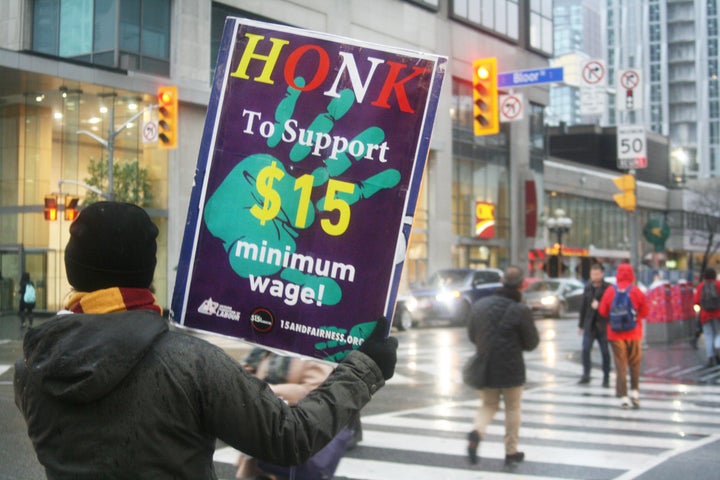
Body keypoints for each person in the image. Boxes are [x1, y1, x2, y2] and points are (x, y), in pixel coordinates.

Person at [14, 201, 397, 479]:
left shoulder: (30, 369)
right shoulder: (191, 363)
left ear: (72, 268)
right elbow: (288, 437)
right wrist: (364, 369)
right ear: (146, 271)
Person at [235, 347, 360, 479]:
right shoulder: (270, 348)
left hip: (295, 432)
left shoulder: (316, 352)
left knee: (287, 473)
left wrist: (266, 390)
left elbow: (314, 390)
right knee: (264, 471)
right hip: (267, 432)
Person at [465, 265, 539, 467]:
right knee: (513, 408)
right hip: (511, 368)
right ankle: (511, 451)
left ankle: (476, 432)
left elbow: (472, 335)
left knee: (488, 405)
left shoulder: (481, 305)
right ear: (521, 285)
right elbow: (532, 343)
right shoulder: (521, 310)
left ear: (502, 282)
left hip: (485, 366)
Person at [598, 263, 649, 409]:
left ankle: (624, 398)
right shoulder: (636, 291)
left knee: (620, 366)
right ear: (632, 274)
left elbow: (602, 311)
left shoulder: (610, 291)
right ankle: (635, 394)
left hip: (615, 335)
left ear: (617, 274)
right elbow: (645, 313)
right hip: (634, 334)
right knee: (635, 364)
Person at [577, 263, 611, 387]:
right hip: (589, 324)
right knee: (585, 350)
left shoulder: (608, 288)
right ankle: (586, 375)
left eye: (597, 274)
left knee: (605, 352)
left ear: (602, 274)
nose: (594, 277)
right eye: (592, 274)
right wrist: (580, 325)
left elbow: (611, 306)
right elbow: (583, 307)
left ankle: (606, 377)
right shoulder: (588, 287)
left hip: (603, 325)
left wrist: (600, 305)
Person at [693, 267, 720, 367]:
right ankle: (717, 347)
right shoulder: (718, 284)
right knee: (718, 333)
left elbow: (696, 301)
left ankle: (710, 357)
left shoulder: (701, 286)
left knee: (708, 335)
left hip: (705, 315)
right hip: (718, 314)